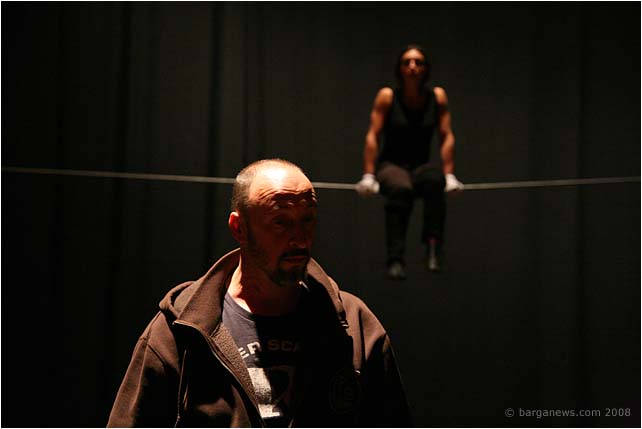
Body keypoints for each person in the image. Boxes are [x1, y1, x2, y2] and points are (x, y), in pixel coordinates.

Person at [107, 159, 411, 427]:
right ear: (239, 228)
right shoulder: (180, 331)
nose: (300, 238)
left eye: (307, 219)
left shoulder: (355, 327)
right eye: (281, 222)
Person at [356, 44, 464, 280]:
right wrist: (369, 175)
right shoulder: (387, 96)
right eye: (407, 62)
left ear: (426, 68)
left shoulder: (437, 97)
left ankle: (434, 248)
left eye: (418, 62)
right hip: (391, 165)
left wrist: (449, 175)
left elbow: (446, 135)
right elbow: (373, 135)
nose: (412, 67)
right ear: (400, 68)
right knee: (401, 188)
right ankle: (395, 258)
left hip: (420, 166)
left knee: (434, 181)